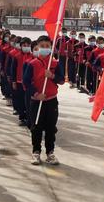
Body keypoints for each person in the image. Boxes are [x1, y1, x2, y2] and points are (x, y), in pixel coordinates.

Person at [23, 35, 64, 165]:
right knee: (36, 127)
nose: (45, 48)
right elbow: (26, 83)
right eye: (42, 46)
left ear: (51, 47)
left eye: (47, 46)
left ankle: (50, 153)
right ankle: (36, 152)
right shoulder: (32, 64)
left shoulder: (55, 63)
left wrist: (52, 75)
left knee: (51, 128)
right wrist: (36, 94)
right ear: (38, 47)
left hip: (51, 101)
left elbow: (62, 80)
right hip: (37, 101)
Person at [11, 37, 32, 126]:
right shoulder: (16, 56)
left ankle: (29, 118)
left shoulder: (33, 56)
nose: (26, 47)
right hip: (19, 82)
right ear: (21, 46)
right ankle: (22, 117)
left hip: (29, 84)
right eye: (24, 45)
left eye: (28, 45)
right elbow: (13, 69)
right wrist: (14, 81)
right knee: (20, 100)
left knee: (28, 101)